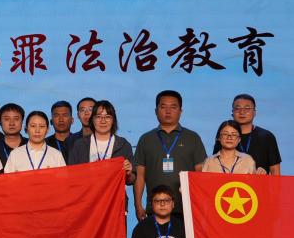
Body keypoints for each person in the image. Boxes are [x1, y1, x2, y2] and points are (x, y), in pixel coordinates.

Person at [133, 90, 207, 220]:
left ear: (180, 111)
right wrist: (138, 205)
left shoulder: (192, 138)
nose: (168, 111)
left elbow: (200, 174)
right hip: (154, 208)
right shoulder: (146, 139)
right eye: (163, 107)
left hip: (186, 210)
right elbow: (140, 176)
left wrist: (200, 206)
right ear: (156, 111)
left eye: (173, 107)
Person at [211, 94, 281, 175]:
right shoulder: (224, 135)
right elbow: (215, 164)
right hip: (229, 183)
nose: (242, 112)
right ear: (232, 112)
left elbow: (275, 171)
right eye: (238, 108)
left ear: (254, 112)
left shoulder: (267, 137)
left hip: (259, 183)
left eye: (247, 108)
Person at [69, 100, 134, 180]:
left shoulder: (123, 145)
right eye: (98, 117)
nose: (103, 121)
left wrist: (129, 173)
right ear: (92, 120)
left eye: (108, 117)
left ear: (113, 120)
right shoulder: (79, 145)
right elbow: (71, 176)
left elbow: (132, 179)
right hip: (88, 188)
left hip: (114, 188)